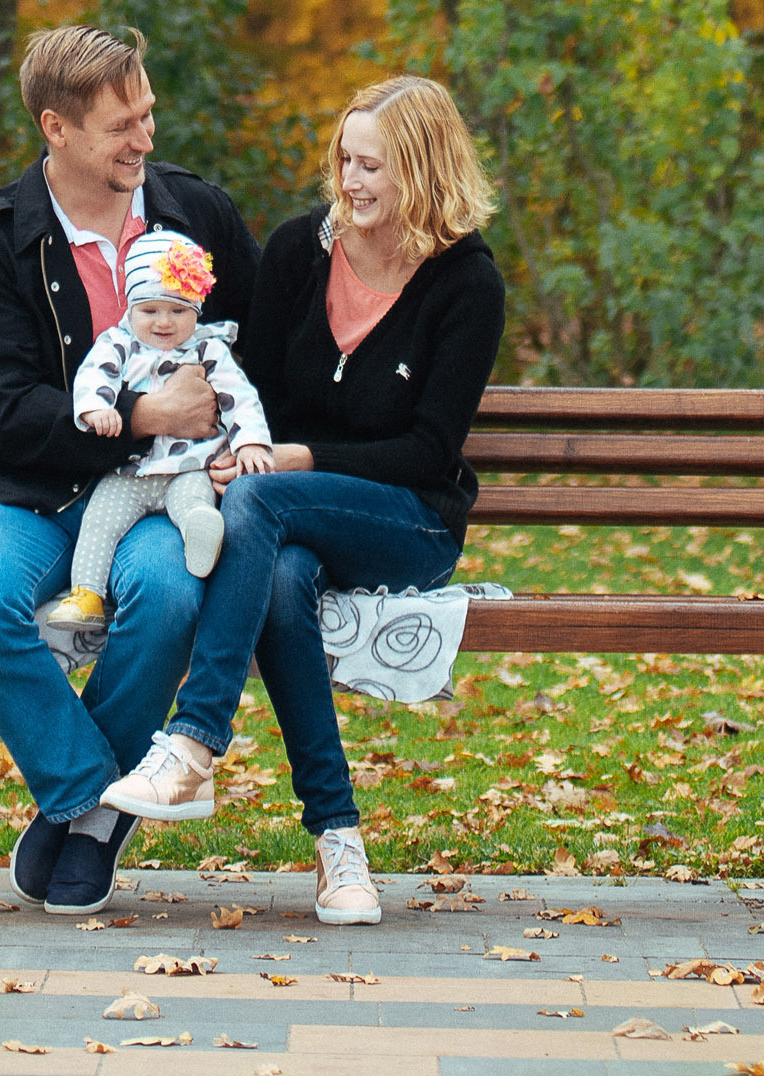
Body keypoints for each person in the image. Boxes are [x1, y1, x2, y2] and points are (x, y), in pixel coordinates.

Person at [101, 74, 504, 929]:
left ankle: (195, 740)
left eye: (373, 166)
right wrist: (246, 451)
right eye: (345, 160)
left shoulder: (466, 282)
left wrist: (296, 459)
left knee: (261, 504)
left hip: (406, 518)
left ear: (423, 170)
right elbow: (249, 389)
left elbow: (429, 451)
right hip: (283, 512)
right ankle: (337, 841)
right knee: (280, 577)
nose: (351, 181)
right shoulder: (296, 252)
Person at [0, 24, 261, 915]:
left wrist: (234, 443)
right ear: (57, 128)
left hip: (163, 494)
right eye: (122, 125)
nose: (144, 138)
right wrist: (142, 418)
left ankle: (80, 826)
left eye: (147, 115)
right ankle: (90, 803)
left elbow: (262, 349)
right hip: (29, 491)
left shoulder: (197, 216)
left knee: (169, 595)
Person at [42, 230, 275, 628]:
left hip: (190, 468)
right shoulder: (118, 343)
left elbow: (240, 397)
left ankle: (202, 534)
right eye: (150, 310)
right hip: (130, 471)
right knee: (100, 520)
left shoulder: (208, 349)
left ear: (196, 311)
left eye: (178, 311)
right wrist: (96, 408)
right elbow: (93, 376)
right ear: (130, 308)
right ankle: (87, 595)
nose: (164, 322)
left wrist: (251, 442)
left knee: (193, 505)